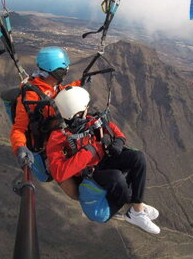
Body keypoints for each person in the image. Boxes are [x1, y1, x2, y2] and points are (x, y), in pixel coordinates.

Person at [46, 86, 161, 234]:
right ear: (79, 112)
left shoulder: (88, 120)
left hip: (104, 160)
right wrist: (89, 151)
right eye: (86, 107)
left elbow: (111, 127)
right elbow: (59, 172)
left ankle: (137, 208)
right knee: (116, 178)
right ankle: (133, 209)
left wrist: (119, 140)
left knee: (138, 158)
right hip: (90, 173)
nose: (88, 109)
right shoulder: (57, 138)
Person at [10, 46, 82, 191]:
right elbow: (19, 128)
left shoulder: (53, 85)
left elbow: (61, 93)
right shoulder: (30, 96)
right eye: (63, 70)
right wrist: (20, 147)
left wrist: (80, 83)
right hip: (46, 146)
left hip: (58, 136)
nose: (66, 73)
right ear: (55, 72)